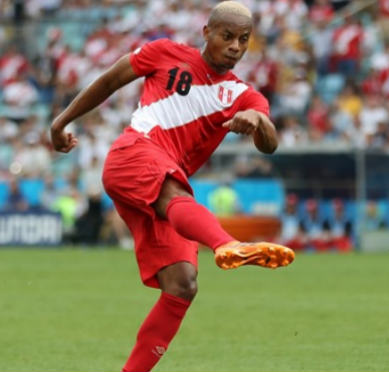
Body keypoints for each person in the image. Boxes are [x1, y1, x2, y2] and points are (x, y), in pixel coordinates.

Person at [48, 3, 295, 372]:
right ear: (206, 32)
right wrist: (61, 122)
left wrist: (258, 119)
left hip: (163, 179)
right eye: (227, 36)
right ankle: (227, 245)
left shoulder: (244, 96)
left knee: (182, 285)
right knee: (176, 195)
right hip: (134, 154)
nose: (235, 47)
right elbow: (110, 80)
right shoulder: (164, 52)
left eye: (244, 40)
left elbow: (270, 144)